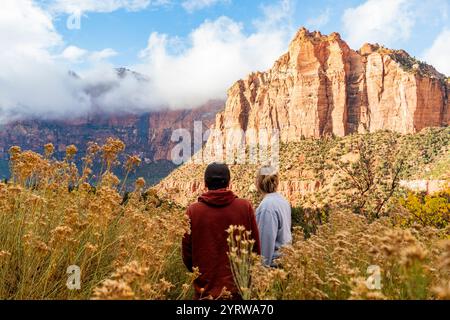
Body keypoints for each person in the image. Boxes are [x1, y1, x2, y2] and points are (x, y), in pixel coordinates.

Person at [182, 162, 261, 300]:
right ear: (229, 183)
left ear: (205, 183)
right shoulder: (245, 207)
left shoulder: (193, 211)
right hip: (238, 293)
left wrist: (201, 276)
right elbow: (255, 250)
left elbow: (187, 256)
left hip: (204, 294)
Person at [255, 166, 292, 267]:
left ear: (258, 183)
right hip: (286, 261)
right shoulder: (283, 201)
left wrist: (261, 273)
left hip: (274, 268)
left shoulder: (266, 207)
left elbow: (265, 245)